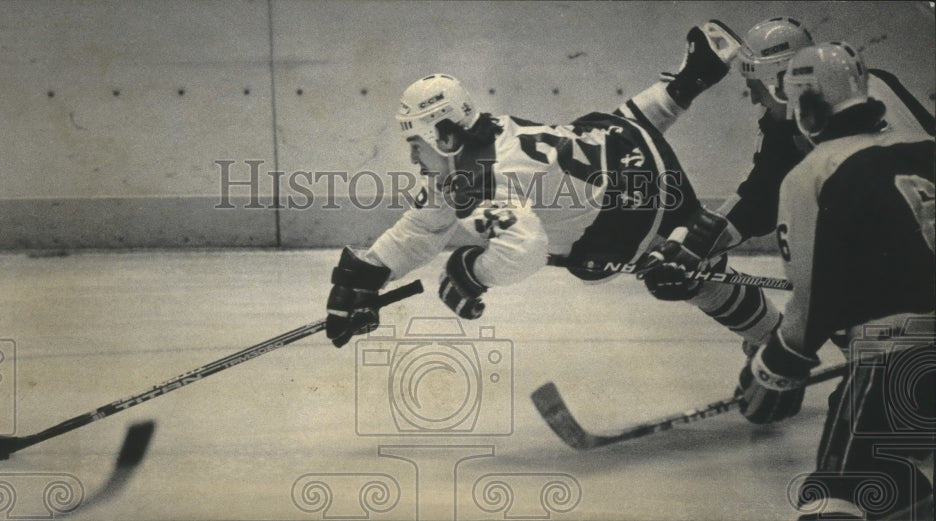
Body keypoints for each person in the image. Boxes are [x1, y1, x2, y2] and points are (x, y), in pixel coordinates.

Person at [324, 21, 784, 354]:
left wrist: (471, 273)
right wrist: (368, 273)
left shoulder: (481, 178)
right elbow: (423, 227)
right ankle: (682, 85)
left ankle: (777, 344)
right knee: (688, 259)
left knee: (688, 276)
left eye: (415, 143)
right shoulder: (483, 140)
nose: (412, 157)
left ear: (444, 137)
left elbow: (524, 250)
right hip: (619, 148)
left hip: (633, 209)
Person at [637, 15, 936, 422]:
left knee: (863, 440)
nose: (757, 100)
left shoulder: (817, 160)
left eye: (757, 87)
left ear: (783, 81)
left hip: (905, 298)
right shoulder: (862, 95)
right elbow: (760, 194)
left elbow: (814, 294)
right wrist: (696, 245)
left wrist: (779, 360)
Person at [733, 42, 935, 520]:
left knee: (835, 494)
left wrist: (769, 372)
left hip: (899, 356)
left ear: (805, 104)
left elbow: (808, 309)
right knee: (892, 481)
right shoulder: (929, 149)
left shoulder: (813, 174)